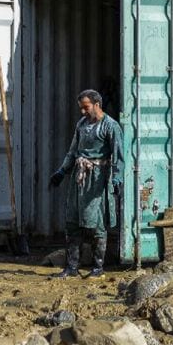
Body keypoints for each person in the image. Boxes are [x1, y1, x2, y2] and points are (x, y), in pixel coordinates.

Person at [48, 90, 124, 279]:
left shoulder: (110, 126)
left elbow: (119, 156)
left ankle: (98, 268)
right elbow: (73, 151)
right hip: (79, 177)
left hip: (97, 179)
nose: (82, 111)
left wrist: (116, 179)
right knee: (72, 221)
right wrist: (62, 171)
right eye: (81, 108)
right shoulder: (81, 124)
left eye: (86, 107)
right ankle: (72, 267)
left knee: (97, 223)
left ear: (97, 104)